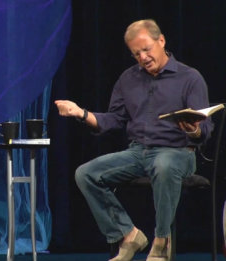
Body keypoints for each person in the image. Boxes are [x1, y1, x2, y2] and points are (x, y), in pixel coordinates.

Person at [55, 19, 213, 261]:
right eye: (136, 54)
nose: (143, 57)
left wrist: (193, 130)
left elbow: (206, 129)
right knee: (86, 173)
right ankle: (128, 235)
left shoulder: (189, 78)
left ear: (161, 41)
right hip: (138, 152)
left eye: (146, 49)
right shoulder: (128, 79)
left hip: (178, 152)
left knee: (164, 165)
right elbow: (115, 119)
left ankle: (162, 241)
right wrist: (82, 113)